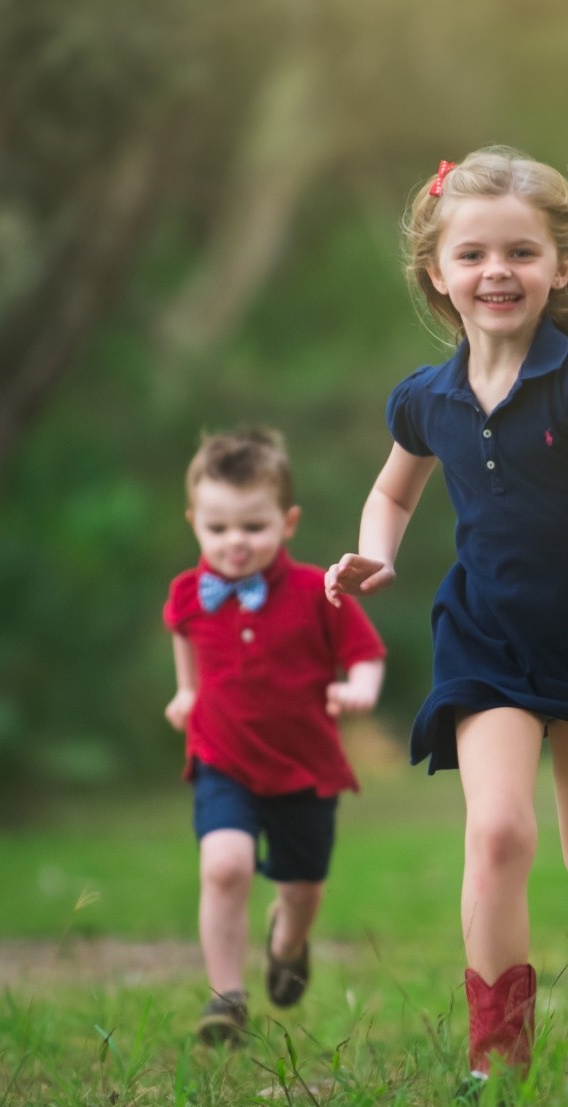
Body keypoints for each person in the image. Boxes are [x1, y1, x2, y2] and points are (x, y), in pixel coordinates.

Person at [325, 148, 568, 1089]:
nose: (498, 272)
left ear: (561, 267)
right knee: (495, 833)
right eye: (475, 255)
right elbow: (393, 495)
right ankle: (499, 1061)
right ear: (438, 274)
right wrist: (377, 551)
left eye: (522, 253)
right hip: (486, 642)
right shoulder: (427, 399)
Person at [164, 427, 387, 1045]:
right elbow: (185, 637)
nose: (235, 542)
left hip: (305, 768)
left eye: (253, 527)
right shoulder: (188, 593)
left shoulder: (319, 591)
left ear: (287, 522)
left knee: (301, 887)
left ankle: (287, 942)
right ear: (195, 523)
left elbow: (364, 651)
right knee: (225, 866)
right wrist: (187, 692)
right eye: (217, 528)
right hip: (223, 758)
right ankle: (225, 998)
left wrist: (360, 688)